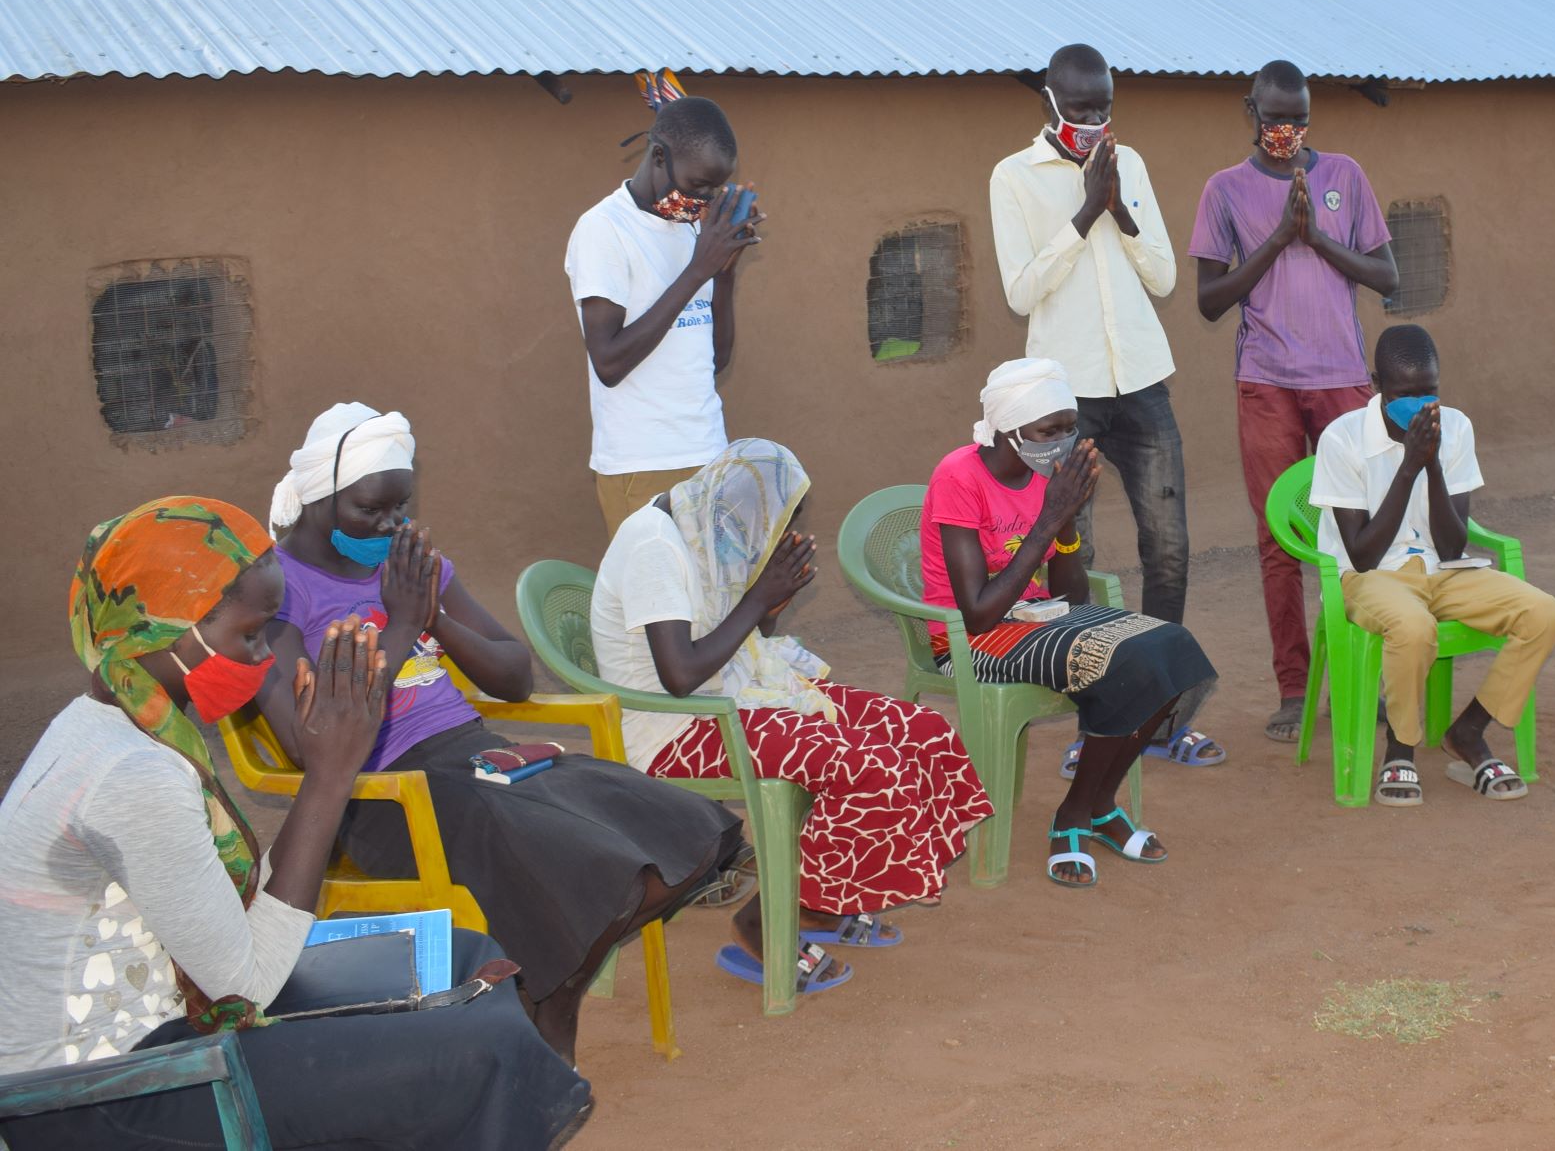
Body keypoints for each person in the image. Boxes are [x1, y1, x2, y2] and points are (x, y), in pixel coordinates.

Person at [0, 498, 589, 1150]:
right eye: (250, 635)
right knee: (478, 1047)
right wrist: (330, 777)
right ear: (166, 631)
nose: (260, 661)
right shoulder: (132, 774)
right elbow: (246, 987)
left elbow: (236, 937)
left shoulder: (102, 723)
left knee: (463, 957)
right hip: (94, 1099)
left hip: (167, 1022)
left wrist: (327, 771)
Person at [258, 403, 747, 1059]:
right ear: (321, 497)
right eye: (370, 510)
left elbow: (513, 675)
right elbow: (308, 739)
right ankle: (550, 1006)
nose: (388, 524)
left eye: (398, 508)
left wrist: (432, 617)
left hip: (478, 754)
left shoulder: (405, 563)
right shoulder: (276, 590)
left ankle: (553, 992)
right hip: (383, 789)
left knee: (679, 833)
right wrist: (399, 628)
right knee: (594, 869)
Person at [590, 438, 994, 992]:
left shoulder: (709, 527)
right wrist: (759, 600)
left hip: (731, 694)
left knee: (920, 731)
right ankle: (764, 921)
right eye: (776, 521)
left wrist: (768, 606)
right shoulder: (654, 547)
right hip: (673, 727)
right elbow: (679, 676)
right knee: (864, 764)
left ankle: (823, 904)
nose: (776, 533)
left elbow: (741, 637)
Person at [987, 46, 1219, 765]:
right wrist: (1084, 214)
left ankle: (1161, 715)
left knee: (1170, 550)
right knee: (1073, 557)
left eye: (1103, 109)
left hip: (1143, 380)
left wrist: (1119, 208)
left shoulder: (1131, 163)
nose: (1093, 122)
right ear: (1050, 104)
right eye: (1080, 109)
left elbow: (1164, 277)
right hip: (1068, 397)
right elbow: (1021, 292)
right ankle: (1098, 722)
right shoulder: (1013, 177)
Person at [921, 359, 1219, 887]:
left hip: (1042, 620)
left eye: (1068, 427)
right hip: (972, 639)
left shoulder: (1048, 478)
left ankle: (1097, 803)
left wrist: (1066, 522)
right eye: (1047, 430)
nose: (1061, 442)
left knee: (1175, 651)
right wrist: (1048, 518)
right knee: (1119, 663)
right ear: (1009, 429)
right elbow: (978, 612)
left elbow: (1070, 594)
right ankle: (1073, 817)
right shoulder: (958, 476)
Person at [1192, 59, 1399, 744]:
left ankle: (1360, 675)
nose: (1286, 130)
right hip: (1268, 380)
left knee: (1359, 533)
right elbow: (1210, 301)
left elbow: (1386, 275)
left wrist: (1319, 239)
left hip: (1341, 378)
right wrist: (1279, 239)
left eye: (1298, 117)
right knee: (1279, 540)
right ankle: (1293, 686)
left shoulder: (1344, 176)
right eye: (1274, 118)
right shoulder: (1224, 191)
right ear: (1250, 114)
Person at [1308, 324, 1555, 805]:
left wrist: (1433, 463)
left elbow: (1452, 546)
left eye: (1430, 390)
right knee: (1412, 626)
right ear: (1376, 385)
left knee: (1544, 613)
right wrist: (1408, 466)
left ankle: (1468, 731)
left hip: (1443, 570)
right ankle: (1400, 748)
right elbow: (1362, 553)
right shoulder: (1341, 439)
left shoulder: (1456, 427)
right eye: (1405, 394)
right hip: (1369, 577)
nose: (1420, 403)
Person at [566, 87, 764, 539]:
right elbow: (609, 363)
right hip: (643, 463)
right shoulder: (603, 230)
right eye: (696, 186)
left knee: (710, 605)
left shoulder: (693, 229)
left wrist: (725, 272)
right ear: (659, 157)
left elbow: (717, 361)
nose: (702, 200)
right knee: (660, 607)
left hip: (708, 450)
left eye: (714, 189)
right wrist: (699, 270)